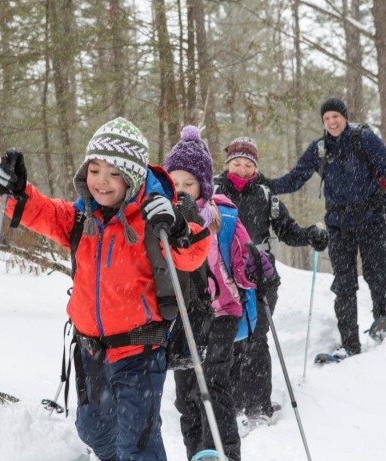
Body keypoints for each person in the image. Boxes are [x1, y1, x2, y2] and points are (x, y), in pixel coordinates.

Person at [0, 117, 211, 461]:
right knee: (92, 429)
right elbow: (43, 212)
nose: (101, 181)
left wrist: (178, 224)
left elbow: (195, 251)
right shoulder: (82, 218)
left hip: (139, 350)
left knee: (137, 445)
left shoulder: (154, 219)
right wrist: (16, 192)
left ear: (133, 176)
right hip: (90, 349)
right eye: (94, 169)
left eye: (114, 172)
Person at [164, 125, 274, 461]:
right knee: (186, 395)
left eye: (189, 184)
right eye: (175, 184)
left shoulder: (222, 215)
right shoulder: (161, 218)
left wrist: (261, 271)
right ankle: (195, 452)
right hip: (183, 316)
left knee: (213, 382)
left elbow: (247, 259)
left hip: (223, 310)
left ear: (203, 184)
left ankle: (222, 452)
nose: (181, 191)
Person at [214, 136, 329, 428]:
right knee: (229, 338)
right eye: (236, 163)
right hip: (222, 275)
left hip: (259, 277)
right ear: (228, 164)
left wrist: (310, 236)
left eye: (247, 164)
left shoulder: (266, 196)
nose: (241, 169)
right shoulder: (213, 190)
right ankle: (233, 401)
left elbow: (287, 231)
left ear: (255, 167)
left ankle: (257, 406)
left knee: (255, 338)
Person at [265, 97, 386, 358]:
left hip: (372, 221)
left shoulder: (363, 139)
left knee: (378, 276)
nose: (332, 122)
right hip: (339, 226)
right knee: (344, 285)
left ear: (345, 116)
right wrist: (267, 184)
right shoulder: (320, 149)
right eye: (327, 118)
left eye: (336, 116)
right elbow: (296, 178)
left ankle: (383, 326)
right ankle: (350, 344)